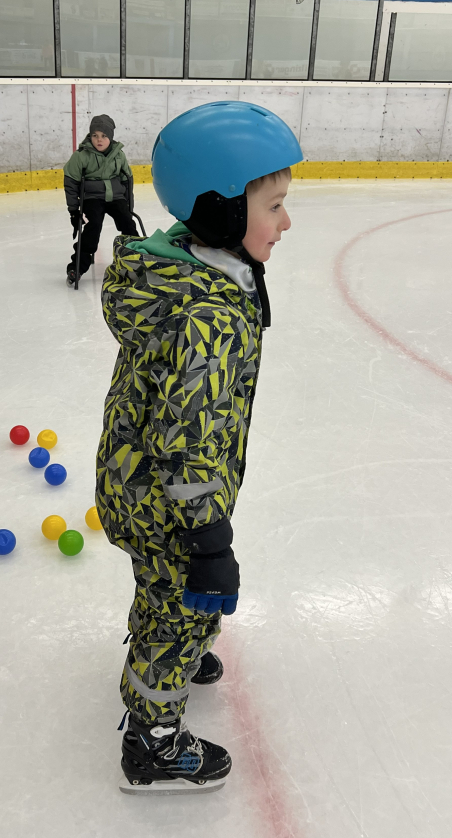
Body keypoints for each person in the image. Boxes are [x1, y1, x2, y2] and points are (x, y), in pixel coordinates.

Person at [94, 100, 303, 794]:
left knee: (164, 590)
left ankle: (167, 657)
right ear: (221, 211)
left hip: (136, 478)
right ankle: (152, 742)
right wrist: (209, 539)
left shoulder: (188, 268)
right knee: (180, 602)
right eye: (274, 206)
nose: (286, 222)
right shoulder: (210, 314)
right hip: (168, 497)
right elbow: (189, 442)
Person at [63, 114, 137, 285]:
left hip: (116, 197)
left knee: (127, 223)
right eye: (95, 135)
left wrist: (128, 205)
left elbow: (127, 179)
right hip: (93, 198)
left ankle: (137, 260)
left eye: (104, 136)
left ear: (110, 137)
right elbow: (71, 182)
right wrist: (74, 210)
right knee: (93, 225)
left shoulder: (119, 155)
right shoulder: (81, 155)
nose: (99, 140)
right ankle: (77, 267)